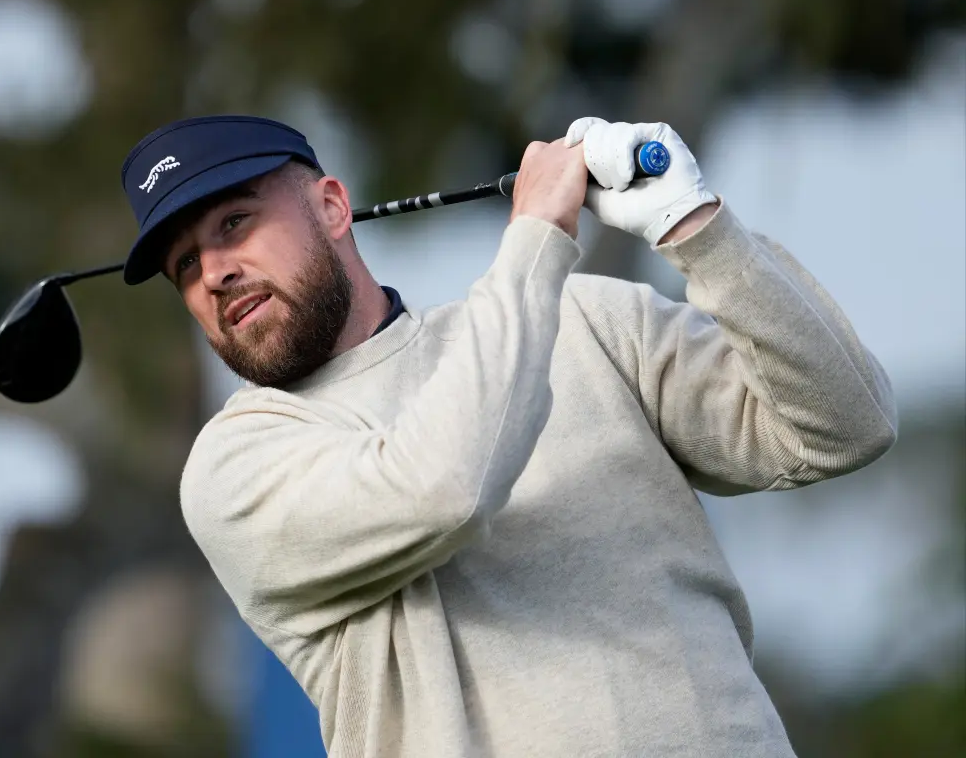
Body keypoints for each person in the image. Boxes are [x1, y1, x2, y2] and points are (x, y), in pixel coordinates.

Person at [117, 114, 897, 757]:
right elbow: (449, 486)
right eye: (186, 263)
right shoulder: (238, 464)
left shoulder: (588, 320)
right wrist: (536, 232)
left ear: (330, 207)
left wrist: (695, 226)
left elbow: (845, 424)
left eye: (236, 222)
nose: (215, 271)